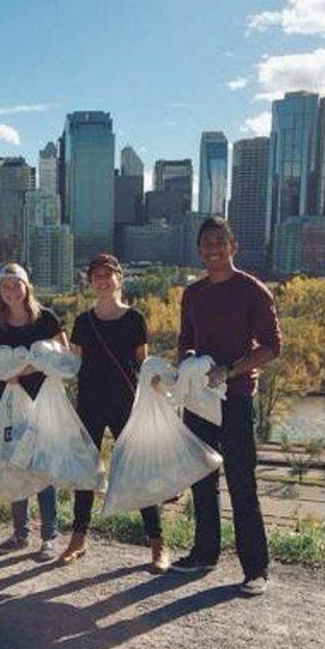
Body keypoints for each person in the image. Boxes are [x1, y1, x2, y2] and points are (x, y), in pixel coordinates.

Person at [170, 216, 282, 596]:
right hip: (198, 399)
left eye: (220, 241)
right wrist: (183, 366)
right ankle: (205, 554)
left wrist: (230, 371)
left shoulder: (252, 291)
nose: (213, 248)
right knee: (202, 478)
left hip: (235, 398)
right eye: (207, 243)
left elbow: (272, 347)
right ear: (199, 250)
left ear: (233, 246)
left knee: (241, 483)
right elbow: (185, 340)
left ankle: (256, 568)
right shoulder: (193, 294)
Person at [62, 253, 170, 570]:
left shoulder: (135, 319)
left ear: (119, 279)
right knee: (85, 472)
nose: (102, 280)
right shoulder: (83, 322)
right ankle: (78, 539)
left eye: (107, 274)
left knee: (139, 470)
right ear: (90, 282)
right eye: (96, 276)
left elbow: (142, 363)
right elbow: (74, 363)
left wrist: (159, 383)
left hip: (125, 403)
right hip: (90, 403)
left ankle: (158, 544)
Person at [0, 263, 62, 562]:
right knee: (15, 465)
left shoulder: (46, 319)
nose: (11, 290)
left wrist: (28, 368)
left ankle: (50, 536)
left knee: (42, 467)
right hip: (7, 404)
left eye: (16, 284)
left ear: (27, 287)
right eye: (5, 285)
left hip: (40, 402)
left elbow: (62, 355)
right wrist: (1, 373)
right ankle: (20, 533)